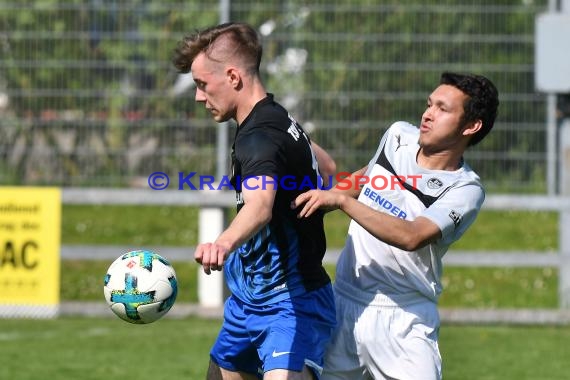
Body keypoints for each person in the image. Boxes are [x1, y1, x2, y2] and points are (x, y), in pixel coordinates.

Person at [292, 72, 499, 380]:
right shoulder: (398, 135)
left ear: (471, 126)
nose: (428, 114)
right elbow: (366, 177)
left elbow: (412, 235)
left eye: (443, 109)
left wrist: (343, 203)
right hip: (346, 303)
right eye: (429, 104)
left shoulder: (465, 189)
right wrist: (326, 197)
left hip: (405, 320)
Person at [172, 22, 337, 380]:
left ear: (232, 76)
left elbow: (260, 206)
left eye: (202, 84)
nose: (199, 96)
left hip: (292, 303)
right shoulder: (278, 118)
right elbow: (327, 167)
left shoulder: (258, 139)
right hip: (249, 301)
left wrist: (223, 243)